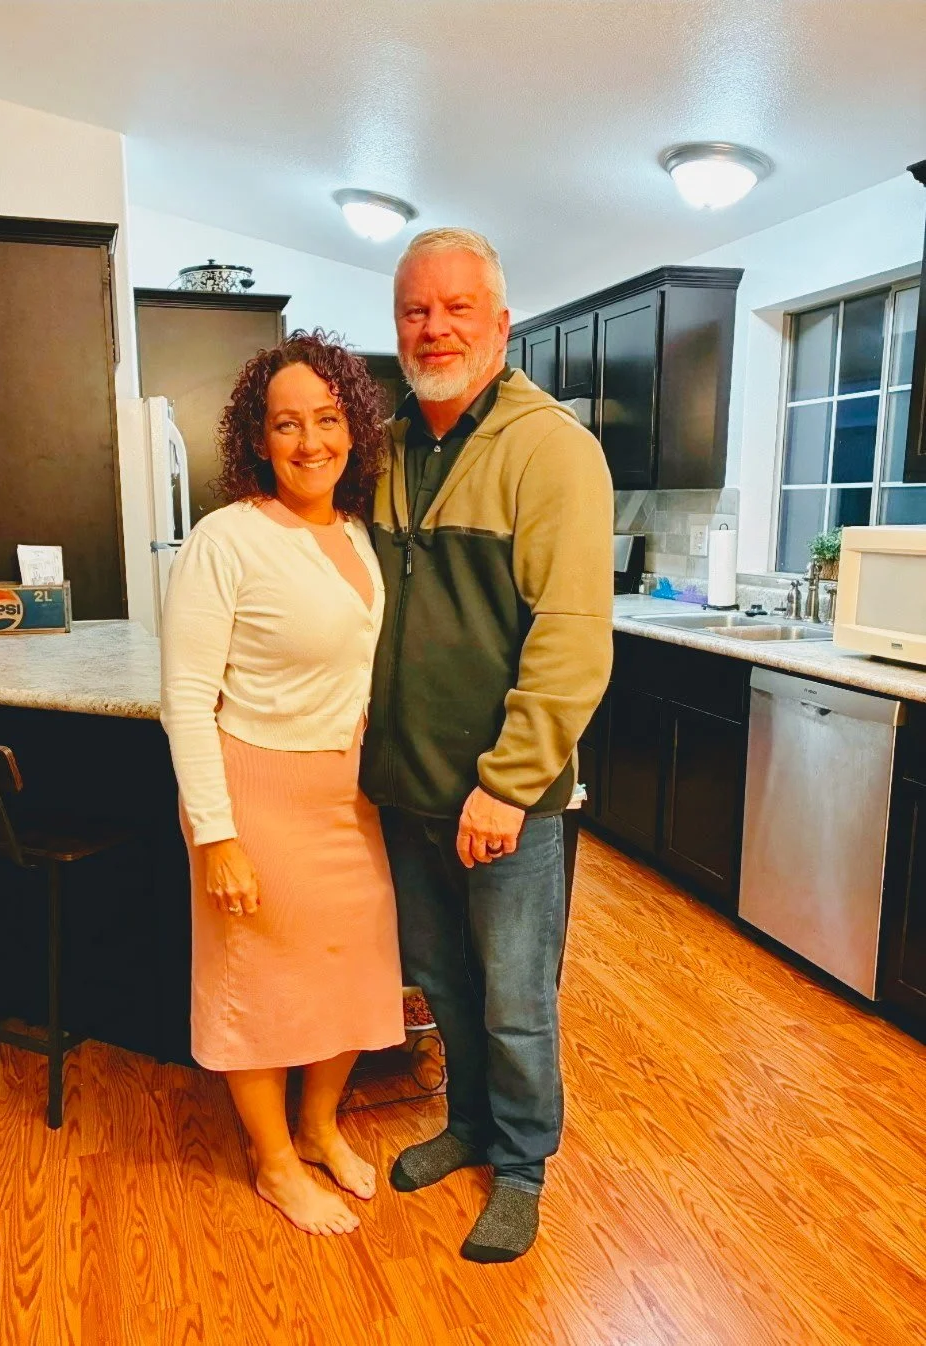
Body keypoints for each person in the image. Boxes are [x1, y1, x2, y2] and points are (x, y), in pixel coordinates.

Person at [360, 228, 614, 1262]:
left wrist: (506, 784)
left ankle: (519, 1166)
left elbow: (571, 635)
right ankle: (466, 1123)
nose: (435, 327)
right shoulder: (385, 447)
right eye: (415, 309)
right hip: (406, 782)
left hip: (504, 797)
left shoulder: (550, 447)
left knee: (514, 997)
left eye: (457, 307)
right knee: (441, 978)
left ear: (500, 324)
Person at [161, 331, 404, 1237]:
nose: (310, 442)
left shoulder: (357, 534)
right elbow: (186, 699)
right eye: (287, 424)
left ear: (354, 428)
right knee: (259, 981)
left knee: (350, 969)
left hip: (350, 792)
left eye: (328, 419)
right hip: (254, 788)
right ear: (257, 439)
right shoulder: (225, 539)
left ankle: (317, 1127)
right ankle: (271, 1161)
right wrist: (216, 835)